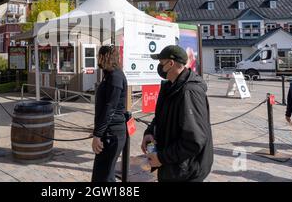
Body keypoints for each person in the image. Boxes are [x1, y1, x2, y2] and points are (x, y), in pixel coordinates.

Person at [141, 45, 213, 182]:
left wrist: (162, 158)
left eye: (161, 63)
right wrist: (149, 132)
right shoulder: (171, 87)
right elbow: (161, 117)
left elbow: (194, 140)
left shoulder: (189, 92)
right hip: (174, 168)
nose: (159, 67)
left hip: (185, 171)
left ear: (171, 63)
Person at [91, 45, 127, 182]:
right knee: (102, 174)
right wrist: (97, 130)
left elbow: (109, 108)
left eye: (98, 56)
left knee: (104, 177)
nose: (97, 59)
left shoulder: (115, 77)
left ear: (105, 57)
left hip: (112, 134)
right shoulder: (110, 75)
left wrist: (98, 134)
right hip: (108, 132)